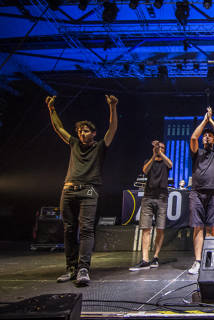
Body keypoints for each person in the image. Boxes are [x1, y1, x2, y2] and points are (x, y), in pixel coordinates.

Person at [46, 95, 118, 285]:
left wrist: (112, 107)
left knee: (86, 230)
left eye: (85, 131)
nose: (81, 133)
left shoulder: (101, 146)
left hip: (89, 191)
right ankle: (71, 268)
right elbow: (59, 128)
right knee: (69, 230)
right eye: (79, 131)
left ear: (94, 133)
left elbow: (112, 129)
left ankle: (83, 268)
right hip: (68, 190)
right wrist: (51, 109)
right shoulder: (74, 144)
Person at [187, 106, 214, 275]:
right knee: (197, 226)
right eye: (206, 136)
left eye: (211, 136)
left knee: (211, 228)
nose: (208, 137)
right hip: (197, 193)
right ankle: (197, 261)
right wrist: (204, 120)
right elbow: (194, 137)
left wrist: (211, 121)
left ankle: (209, 259)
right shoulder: (197, 152)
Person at [129, 141, 172, 271]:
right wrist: (154, 155)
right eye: (158, 147)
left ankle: (156, 257)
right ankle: (145, 259)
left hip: (162, 197)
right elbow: (145, 170)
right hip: (148, 196)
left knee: (160, 228)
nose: (160, 149)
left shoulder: (165, 162)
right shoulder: (150, 160)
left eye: (162, 148)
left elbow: (170, 164)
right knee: (146, 228)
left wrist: (160, 153)